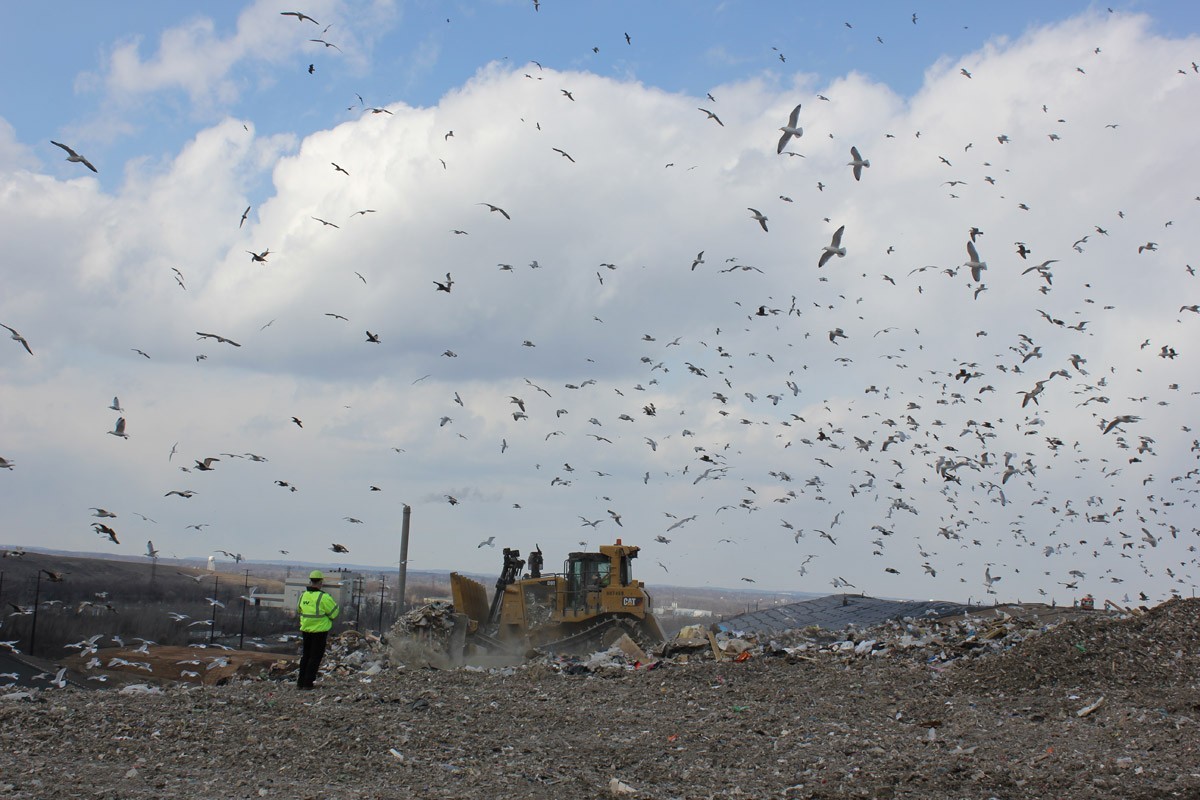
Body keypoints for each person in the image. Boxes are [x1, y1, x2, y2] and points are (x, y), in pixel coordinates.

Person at [296, 570, 340, 689]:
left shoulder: (303, 595)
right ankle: (308, 683)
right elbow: (334, 613)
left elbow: (299, 610)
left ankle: (300, 682)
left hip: (306, 630)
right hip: (319, 631)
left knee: (306, 656)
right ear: (321, 582)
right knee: (315, 657)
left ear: (310, 581)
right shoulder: (323, 597)